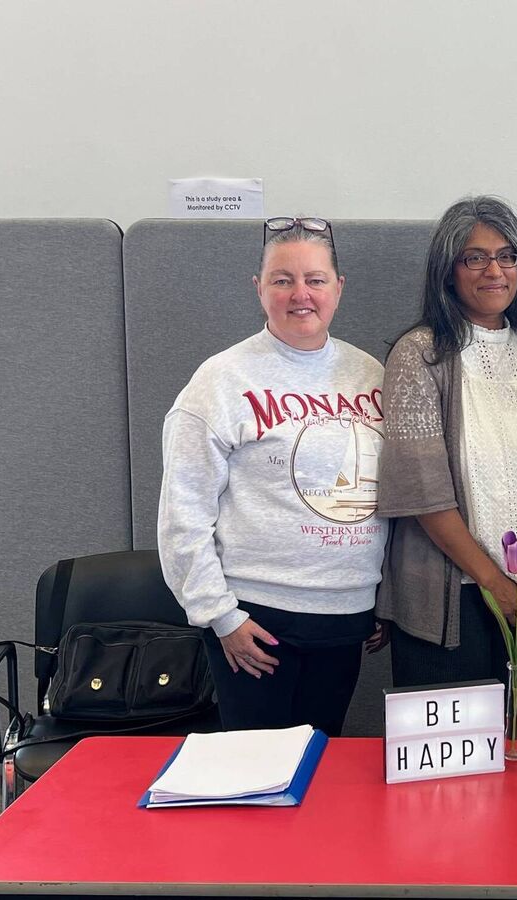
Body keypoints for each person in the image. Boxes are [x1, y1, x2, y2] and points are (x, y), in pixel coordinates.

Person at [158, 216, 389, 737]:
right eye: (282, 280)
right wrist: (222, 617)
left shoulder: (370, 373)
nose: (300, 294)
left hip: (348, 615)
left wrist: (386, 599)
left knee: (320, 763)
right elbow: (182, 514)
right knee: (256, 773)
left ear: (338, 288)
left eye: (315, 279)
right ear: (258, 288)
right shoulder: (222, 380)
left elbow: (395, 496)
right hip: (256, 620)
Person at [376, 196, 517, 737]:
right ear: (448, 270)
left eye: (508, 256)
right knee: (456, 768)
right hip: (453, 600)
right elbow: (423, 492)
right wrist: (494, 583)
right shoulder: (419, 354)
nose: (495, 270)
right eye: (475, 258)